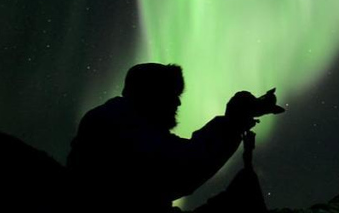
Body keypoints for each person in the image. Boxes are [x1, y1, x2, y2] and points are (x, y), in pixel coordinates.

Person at [67, 63, 283, 212]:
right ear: (153, 96)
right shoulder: (120, 125)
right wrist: (234, 121)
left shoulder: (120, 119)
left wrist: (234, 122)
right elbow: (183, 166)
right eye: (173, 96)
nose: (178, 104)